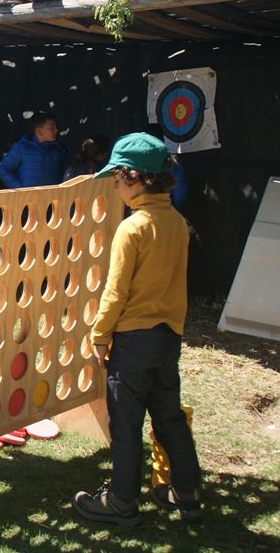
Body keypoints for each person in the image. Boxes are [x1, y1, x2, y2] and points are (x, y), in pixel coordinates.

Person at [73, 132, 203, 526]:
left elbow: (116, 291)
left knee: (126, 424)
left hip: (132, 342)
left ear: (137, 178)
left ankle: (120, 502)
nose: (115, 187)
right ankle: (188, 494)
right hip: (168, 338)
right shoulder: (177, 223)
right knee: (169, 418)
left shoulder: (133, 228)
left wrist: (99, 334)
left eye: (117, 179)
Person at [0, 110, 68, 189]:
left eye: (55, 127)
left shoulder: (59, 150)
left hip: (54, 196)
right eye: (51, 128)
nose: (56, 130)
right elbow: (3, 169)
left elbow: (66, 173)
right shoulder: (21, 148)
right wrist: (20, 189)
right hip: (28, 196)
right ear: (39, 131)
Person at [144, 124, 189, 211]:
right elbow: (180, 195)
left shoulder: (137, 163)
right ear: (163, 140)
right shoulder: (173, 162)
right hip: (168, 211)